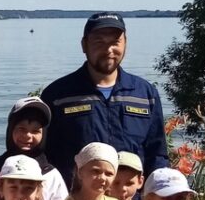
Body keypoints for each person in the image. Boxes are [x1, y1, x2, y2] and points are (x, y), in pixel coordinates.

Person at [40, 13, 170, 188]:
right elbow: (43, 155)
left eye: (115, 42)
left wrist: (159, 196)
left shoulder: (144, 94)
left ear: (125, 44)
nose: (108, 49)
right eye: (99, 42)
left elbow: (157, 154)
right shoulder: (58, 95)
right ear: (84, 45)